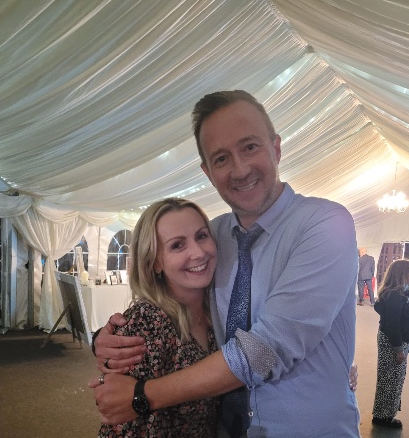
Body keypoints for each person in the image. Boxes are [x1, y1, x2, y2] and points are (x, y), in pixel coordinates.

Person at [90, 90, 360, 437]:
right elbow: (176, 301)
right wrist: (108, 339)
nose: (240, 169)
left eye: (250, 147)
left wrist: (144, 395)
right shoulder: (212, 236)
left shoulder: (326, 224)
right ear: (207, 171)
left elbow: (267, 349)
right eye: (221, 158)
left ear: (276, 148)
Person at [98, 198, 220, 437]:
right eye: (177, 245)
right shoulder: (147, 321)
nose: (198, 253)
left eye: (202, 236)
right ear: (155, 262)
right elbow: (122, 422)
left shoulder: (217, 309)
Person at [372, 259, 409, 429]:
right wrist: (399, 350)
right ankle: (382, 417)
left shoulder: (402, 293)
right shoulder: (394, 296)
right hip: (393, 342)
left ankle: (386, 413)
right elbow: (393, 325)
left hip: (398, 341)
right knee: (389, 380)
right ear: (401, 275)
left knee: (394, 379)